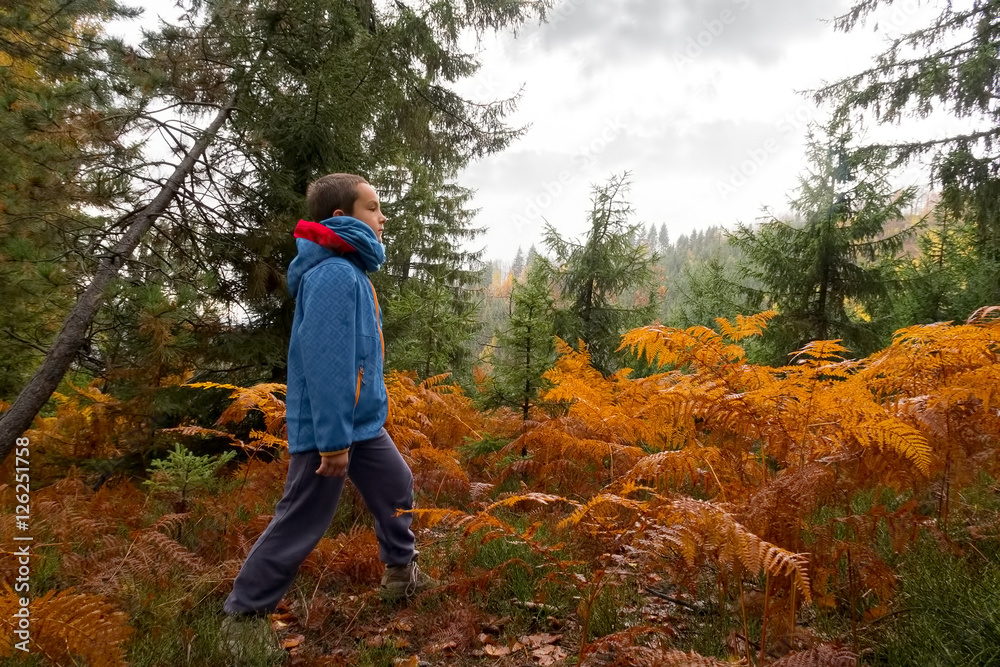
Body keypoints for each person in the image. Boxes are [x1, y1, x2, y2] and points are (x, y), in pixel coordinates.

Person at [223, 173, 434, 622]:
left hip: (360, 424)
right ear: (341, 217)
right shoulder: (335, 274)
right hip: (330, 429)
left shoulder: (349, 271)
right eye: (372, 208)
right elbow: (328, 363)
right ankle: (243, 615)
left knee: (396, 485)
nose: (382, 218)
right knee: (303, 517)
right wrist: (333, 442)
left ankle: (401, 573)